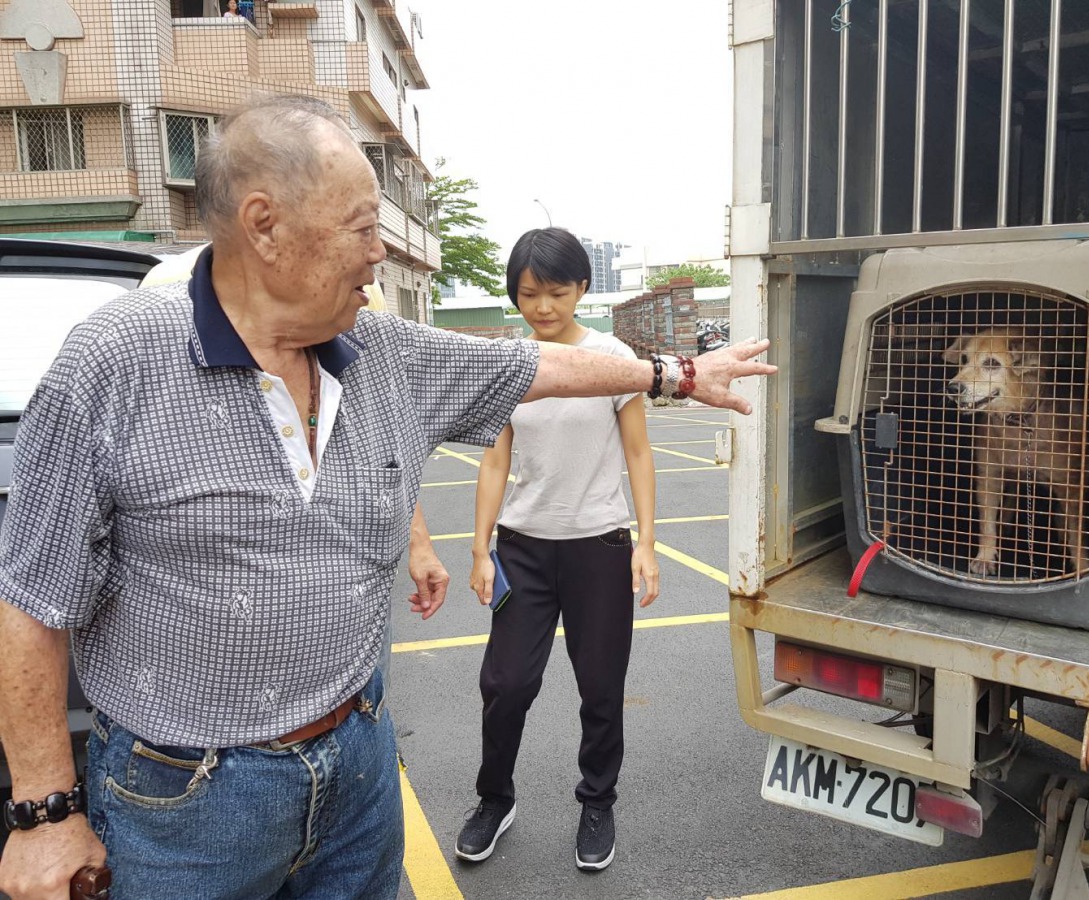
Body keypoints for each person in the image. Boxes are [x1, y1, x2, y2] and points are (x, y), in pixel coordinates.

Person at [0, 93, 774, 900]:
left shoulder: (378, 350)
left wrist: (677, 374)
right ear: (265, 226)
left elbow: (540, 367)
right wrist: (44, 812)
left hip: (359, 765)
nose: (382, 254)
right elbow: (29, 602)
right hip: (189, 807)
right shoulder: (113, 365)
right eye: (363, 226)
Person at [455, 228, 658, 872]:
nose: (542, 307)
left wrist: (646, 543)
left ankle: (597, 803)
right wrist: (480, 548)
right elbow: (494, 461)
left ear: (582, 290)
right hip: (524, 549)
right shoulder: (511, 364)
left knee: (601, 687)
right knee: (506, 683)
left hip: (599, 546)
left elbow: (638, 452)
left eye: (557, 292)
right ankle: (495, 798)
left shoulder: (612, 357)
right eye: (528, 294)